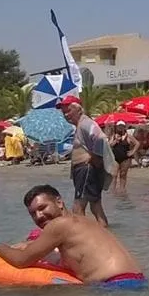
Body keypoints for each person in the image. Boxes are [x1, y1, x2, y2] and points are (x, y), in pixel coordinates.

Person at [0, 184, 145, 287]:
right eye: (33, 213)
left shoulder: (58, 225)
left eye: (42, 207)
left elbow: (21, 261)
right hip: (137, 281)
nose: (39, 216)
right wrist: (25, 246)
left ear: (59, 202)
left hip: (115, 286)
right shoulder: (81, 221)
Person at [57, 95, 115, 227]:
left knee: (78, 208)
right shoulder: (80, 125)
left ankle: (81, 239)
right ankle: (105, 236)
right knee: (96, 207)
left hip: (86, 169)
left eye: (68, 110)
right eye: (64, 112)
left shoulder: (85, 123)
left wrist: (94, 157)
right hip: (86, 170)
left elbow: (101, 138)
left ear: (79, 110)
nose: (66, 115)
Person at [110, 121, 140, 194]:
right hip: (115, 157)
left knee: (123, 174)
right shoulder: (114, 136)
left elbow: (137, 143)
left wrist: (132, 152)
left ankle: (122, 190)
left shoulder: (128, 136)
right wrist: (116, 140)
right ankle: (112, 190)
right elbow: (109, 145)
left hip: (125, 158)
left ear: (124, 127)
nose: (120, 127)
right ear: (116, 127)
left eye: (122, 126)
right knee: (114, 174)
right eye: (119, 126)